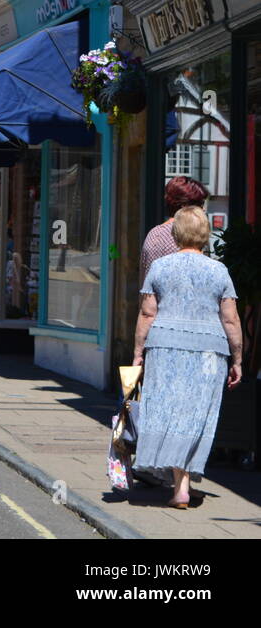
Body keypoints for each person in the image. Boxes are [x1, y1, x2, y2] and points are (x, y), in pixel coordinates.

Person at [132, 206, 244, 509]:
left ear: (176, 233)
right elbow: (231, 320)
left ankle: (180, 484)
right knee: (197, 414)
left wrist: (137, 354)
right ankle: (183, 484)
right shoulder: (218, 271)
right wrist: (237, 360)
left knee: (167, 409)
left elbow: (147, 314)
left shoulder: (160, 267)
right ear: (205, 234)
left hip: (165, 347)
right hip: (210, 352)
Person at [140, 176, 209, 286]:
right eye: (200, 204)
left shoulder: (153, 233)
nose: (203, 209)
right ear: (185, 206)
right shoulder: (192, 235)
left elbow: (144, 282)